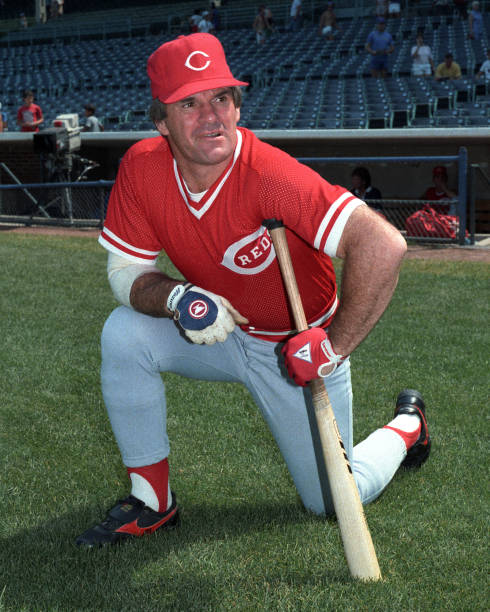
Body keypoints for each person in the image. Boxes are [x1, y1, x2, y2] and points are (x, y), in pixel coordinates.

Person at [75, 33, 431, 547]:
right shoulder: (142, 167)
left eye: (222, 97)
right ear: (161, 122)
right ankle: (153, 501)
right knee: (124, 334)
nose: (211, 115)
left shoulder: (271, 174)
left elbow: (383, 244)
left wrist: (332, 347)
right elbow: (127, 271)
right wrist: (178, 298)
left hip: (296, 348)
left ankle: (407, 426)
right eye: (189, 104)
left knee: (333, 499)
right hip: (219, 329)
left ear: (238, 105)